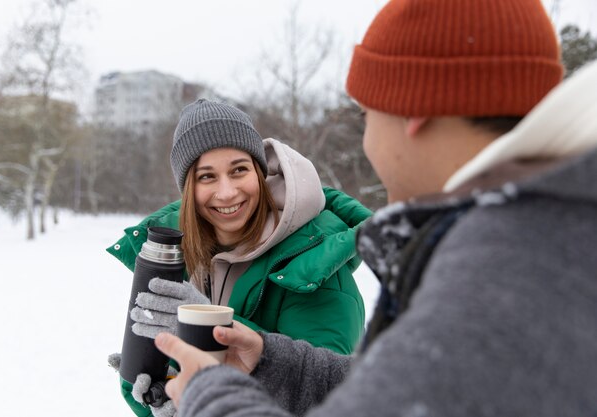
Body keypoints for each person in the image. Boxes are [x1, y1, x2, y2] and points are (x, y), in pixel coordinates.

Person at [150, 0, 597, 416]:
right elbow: (411, 389)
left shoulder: (499, 271)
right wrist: (273, 363)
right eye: (206, 177)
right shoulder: (542, 238)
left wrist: (208, 395)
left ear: (413, 110)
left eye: (366, 114)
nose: (367, 140)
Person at [107, 98, 372, 416]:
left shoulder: (316, 263)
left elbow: (322, 399)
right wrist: (163, 393)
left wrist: (204, 326)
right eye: (207, 176)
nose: (227, 192)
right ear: (188, 189)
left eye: (239, 170)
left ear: (260, 172)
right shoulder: (179, 256)